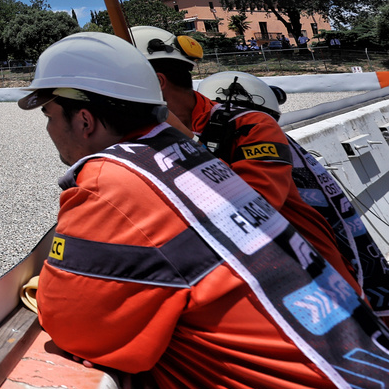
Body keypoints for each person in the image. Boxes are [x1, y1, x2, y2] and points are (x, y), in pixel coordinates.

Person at [26, 32, 389, 389]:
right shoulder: (194, 158)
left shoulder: (112, 182)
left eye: (49, 115)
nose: (49, 129)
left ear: (84, 120)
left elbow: (76, 325)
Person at [130, 25, 361, 293]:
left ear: (156, 83)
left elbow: (257, 206)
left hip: (307, 282)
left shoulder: (250, 125)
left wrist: (178, 139)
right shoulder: (135, 140)